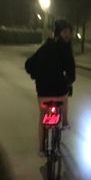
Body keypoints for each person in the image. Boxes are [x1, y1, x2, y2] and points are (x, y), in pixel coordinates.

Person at [25, 19, 76, 155]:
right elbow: (71, 72)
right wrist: (69, 80)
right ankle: (64, 121)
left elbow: (29, 64)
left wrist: (35, 75)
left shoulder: (45, 47)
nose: (68, 35)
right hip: (59, 89)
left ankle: (41, 148)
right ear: (59, 33)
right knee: (65, 98)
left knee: (43, 117)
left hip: (43, 90)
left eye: (69, 32)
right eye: (65, 32)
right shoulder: (66, 49)